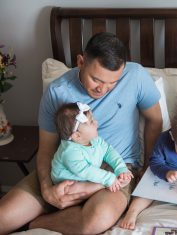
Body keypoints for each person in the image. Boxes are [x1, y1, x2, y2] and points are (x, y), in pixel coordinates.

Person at [0, 32, 162, 235]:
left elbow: (155, 121)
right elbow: (46, 150)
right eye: (96, 79)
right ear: (81, 61)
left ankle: (35, 224)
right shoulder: (57, 91)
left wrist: (146, 170)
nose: (103, 89)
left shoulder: (136, 76)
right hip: (67, 166)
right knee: (3, 218)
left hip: (115, 169)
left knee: (97, 219)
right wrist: (47, 189)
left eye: (113, 83)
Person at [51, 102, 133, 194]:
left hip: (85, 177)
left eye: (93, 119)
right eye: (91, 122)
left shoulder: (95, 140)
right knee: (69, 189)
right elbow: (86, 170)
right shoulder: (69, 152)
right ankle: (102, 185)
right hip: (69, 182)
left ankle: (105, 183)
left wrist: (121, 168)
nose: (96, 122)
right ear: (77, 136)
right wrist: (109, 178)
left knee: (99, 175)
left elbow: (109, 152)